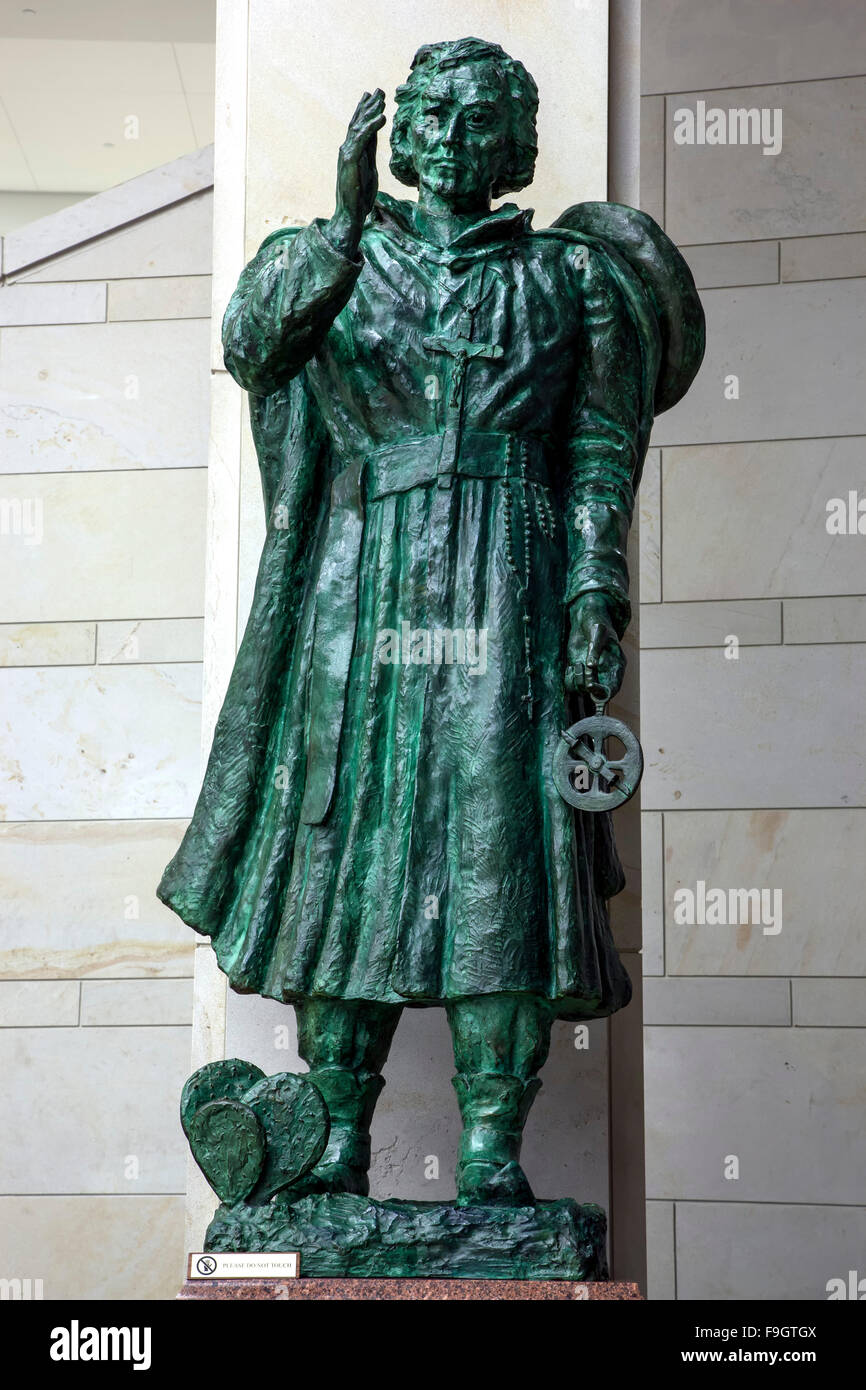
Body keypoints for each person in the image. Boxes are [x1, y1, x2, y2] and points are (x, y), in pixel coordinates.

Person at [159, 37, 701, 1206]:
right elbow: (251, 348)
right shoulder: (326, 260)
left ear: (514, 145)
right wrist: (344, 226)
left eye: (477, 117)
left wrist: (594, 585)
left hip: (508, 577)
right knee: (341, 845)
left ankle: (491, 1152)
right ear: (396, 136)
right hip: (358, 591)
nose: (450, 135)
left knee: (500, 846)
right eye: (430, 114)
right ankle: (338, 1140)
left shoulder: (569, 278)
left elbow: (600, 447)